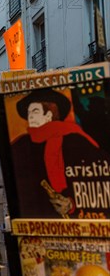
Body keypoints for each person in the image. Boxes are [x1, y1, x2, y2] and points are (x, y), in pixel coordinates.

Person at [8, 88, 110, 218]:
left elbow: (98, 180)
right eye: (28, 113)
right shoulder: (22, 144)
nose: (30, 117)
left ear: (49, 115)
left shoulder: (75, 140)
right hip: (35, 220)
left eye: (35, 111)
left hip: (73, 222)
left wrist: (72, 203)